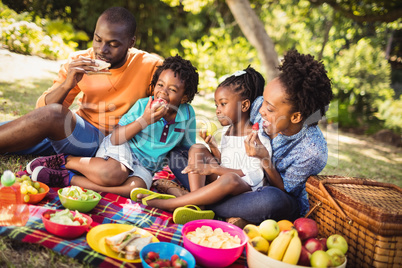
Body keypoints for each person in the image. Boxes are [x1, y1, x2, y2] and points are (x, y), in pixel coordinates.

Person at [164, 50, 333, 225]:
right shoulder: (259, 105)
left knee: (274, 201)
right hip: (233, 183)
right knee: (179, 154)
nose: (260, 109)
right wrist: (214, 147)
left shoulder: (312, 151)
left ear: (296, 117)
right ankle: (205, 201)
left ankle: (194, 200)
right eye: (263, 101)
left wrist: (264, 158)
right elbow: (234, 122)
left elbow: (285, 190)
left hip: (262, 195)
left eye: (270, 108)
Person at [27, 55, 199, 198]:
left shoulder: (187, 115)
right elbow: (116, 137)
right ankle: (66, 160)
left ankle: (66, 178)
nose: (163, 92)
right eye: (160, 85)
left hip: (145, 166)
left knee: (136, 191)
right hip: (122, 148)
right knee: (115, 174)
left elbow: (187, 148)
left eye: (172, 90)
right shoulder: (143, 106)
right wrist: (145, 120)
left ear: (184, 98)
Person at [0, 6, 162, 157]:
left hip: (112, 142)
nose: (101, 50)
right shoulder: (79, 61)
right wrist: (67, 84)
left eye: (113, 44)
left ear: (131, 43)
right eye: (98, 40)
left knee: (52, 115)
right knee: (15, 129)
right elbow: (40, 112)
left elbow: (170, 104)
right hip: (78, 131)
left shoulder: (149, 65)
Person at [132, 66, 271, 211]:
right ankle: (196, 200)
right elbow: (226, 161)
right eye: (216, 105)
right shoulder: (227, 131)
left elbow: (252, 175)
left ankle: (170, 204)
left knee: (230, 178)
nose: (218, 110)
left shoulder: (256, 137)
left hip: (244, 188)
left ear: (244, 105)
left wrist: (214, 168)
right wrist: (213, 148)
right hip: (221, 181)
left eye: (223, 104)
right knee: (197, 148)